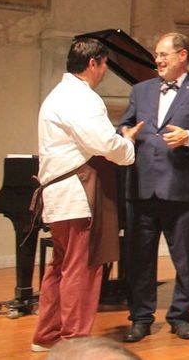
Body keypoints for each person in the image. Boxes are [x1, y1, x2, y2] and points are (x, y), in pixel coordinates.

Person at [31, 38, 138, 352]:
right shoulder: (82, 98)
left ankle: (47, 335)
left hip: (60, 195)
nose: (104, 72)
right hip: (78, 194)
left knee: (60, 266)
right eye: (104, 65)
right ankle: (74, 343)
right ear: (93, 63)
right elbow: (102, 143)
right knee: (82, 267)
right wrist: (128, 145)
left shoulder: (57, 95)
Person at [120, 33, 189, 343]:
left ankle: (180, 316)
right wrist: (125, 133)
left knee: (185, 260)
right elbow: (124, 125)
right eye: (156, 55)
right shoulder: (140, 90)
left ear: (182, 55)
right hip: (142, 187)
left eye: (163, 54)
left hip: (182, 189)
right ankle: (140, 318)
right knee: (140, 259)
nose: (158, 60)